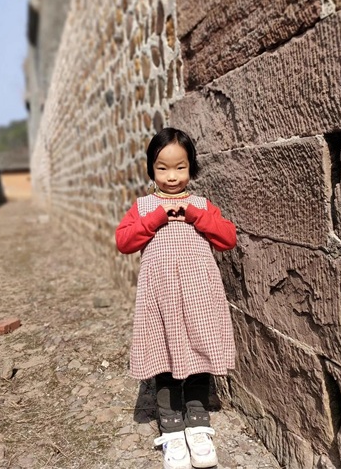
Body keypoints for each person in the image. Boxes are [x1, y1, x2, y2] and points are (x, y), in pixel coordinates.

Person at [115, 127, 237, 469]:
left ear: (191, 167)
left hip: (200, 295)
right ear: (151, 169)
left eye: (180, 167)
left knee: (199, 353)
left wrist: (197, 217)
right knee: (164, 356)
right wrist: (155, 219)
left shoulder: (200, 205)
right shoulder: (143, 207)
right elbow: (124, 242)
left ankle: (198, 424)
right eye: (163, 168)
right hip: (161, 296)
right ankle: (171, 428)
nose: (172, 176)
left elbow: (228, 238)